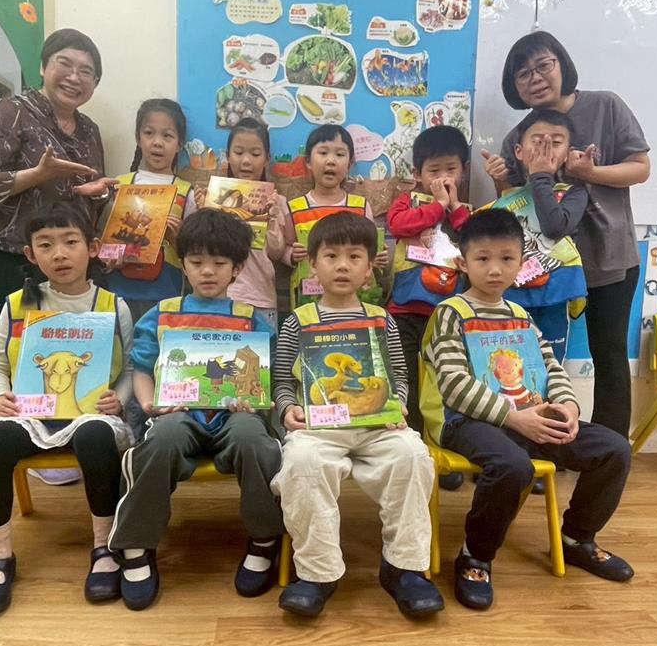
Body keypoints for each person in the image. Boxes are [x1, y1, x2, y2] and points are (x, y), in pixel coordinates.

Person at [424, 208, 633, 613]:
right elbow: (452, 384)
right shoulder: (451, 313)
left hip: (530, 417)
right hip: (465, 421)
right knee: (512, 465)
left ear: (521, 264)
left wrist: (567, 405)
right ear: (463, 263)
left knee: (613, 449)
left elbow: (550, 367)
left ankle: (576, 538)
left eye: (507, 258)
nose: (495, 269)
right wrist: (513, 418)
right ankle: (475, 555)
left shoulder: (521, 316)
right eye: (483, 258)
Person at [107, 210, 283, 611]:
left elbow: (264, 376)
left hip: (234, 414)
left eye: (219, 263)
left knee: (252, 437)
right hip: (178, 412)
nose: (207, 271)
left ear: (237, 268)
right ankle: (136, 545)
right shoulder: (163, 312)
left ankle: (264, 539)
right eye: (197, 261)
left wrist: (254, 400)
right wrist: (149, 403)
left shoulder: (250, 318)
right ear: (182, 263)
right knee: (162, 438)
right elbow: (142, 367)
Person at [0, 203, 133, 619]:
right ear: (30, 254)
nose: (59, 254)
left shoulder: (113, 305)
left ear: (92, 248)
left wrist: (120, 399)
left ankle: (104, 548)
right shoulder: (17, 304)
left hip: (91, 415)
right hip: (31, 414)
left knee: (96, 436)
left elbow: (130, 368)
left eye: (70, 242)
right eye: (45, 245)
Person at [271, 212, 442, 619]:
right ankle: (317, 573)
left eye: (354, 256)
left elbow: (398, 374)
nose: (342, 265)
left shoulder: (382, 320)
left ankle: (405, 568)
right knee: (302, 462)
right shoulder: (298, 321)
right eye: (331, 256)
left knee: (413, 456)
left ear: (369, 269)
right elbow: (281, 380)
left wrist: (399, 404)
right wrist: (288, 408)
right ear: (313, 265)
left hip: (377, 426)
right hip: (320, 427)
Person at [483, 31, 650, 437]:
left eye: (544, 65)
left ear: (562, 64)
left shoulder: (606, 106)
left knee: (608, 353)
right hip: (546, 270)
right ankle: (543, 439)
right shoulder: (517, 138)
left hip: (608, 256)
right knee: (538, 355)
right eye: (523, 73)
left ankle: (609, 449)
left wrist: (590, 173)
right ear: (515, 86)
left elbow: (641, 167)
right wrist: (499, 180)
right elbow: (515, 207)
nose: (536, 78)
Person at [0, 28, 115, 339]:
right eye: (65, 64)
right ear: (43, 66)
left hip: (75, 267)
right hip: (20, 262)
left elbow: (83, 199)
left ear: (95, 82)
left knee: (73, 349)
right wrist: (37, 175)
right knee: (22, 346)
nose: (74, 77)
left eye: (86, 72)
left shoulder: (90, 130)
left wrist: (97, 193)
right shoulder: (11, 112)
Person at [386, 125, 471, 438]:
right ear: (417, 173)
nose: (443, 177)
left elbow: (474, 241)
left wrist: (455, 208)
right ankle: (410, 438)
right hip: (405, 310)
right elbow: (398, 226)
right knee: (405, 377)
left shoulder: (464, 210)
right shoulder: (407, 201)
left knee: (444, 379)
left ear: (464, 171)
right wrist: (437, 206)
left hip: (448, 312)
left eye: (451, 169)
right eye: (434, 171)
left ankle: (445, 439)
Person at [485, 109, 588, 363]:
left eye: (555, 142)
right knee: (507, 362)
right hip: (512, 293)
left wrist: (541, 176)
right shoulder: (510, 194)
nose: (545, 148)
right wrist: (500, 182)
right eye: (537, 141)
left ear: (568, 154)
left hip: (554, 293)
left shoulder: (574, 192)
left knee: (549, 364)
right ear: (519, 151)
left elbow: (554, 227)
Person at [102, 99, 195, 323]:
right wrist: (109, 258)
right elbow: (104, 239)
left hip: (166, 291)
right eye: (149, 133)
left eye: (167, 136)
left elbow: (194, 251)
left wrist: (177, 238)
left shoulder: (186, 192)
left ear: (180, 144)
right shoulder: (119, 185)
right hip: (118, 290)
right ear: (138, 138)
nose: (157, 143)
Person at [192, 118, 290, 328]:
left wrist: (272, 219)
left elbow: (276, 253)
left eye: (255, 154)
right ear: (228, 156)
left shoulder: (277, 201)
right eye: (238, 152)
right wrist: (204, 213)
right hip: (218, 297)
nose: (246, 160)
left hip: (260, 297)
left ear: (266, 159)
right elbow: (201, 249)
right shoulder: (213, 197)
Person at [283, 125, 389, 310]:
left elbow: (371, 246)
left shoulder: (361, 206)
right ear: (308, 161)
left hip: (357, 299)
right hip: (310, 299)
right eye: (323, 153)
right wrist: (290, 255)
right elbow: (285, 246)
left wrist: (378, 256)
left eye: (340, 154)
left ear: (350, 163)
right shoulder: (294, 208)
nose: (331, 161)